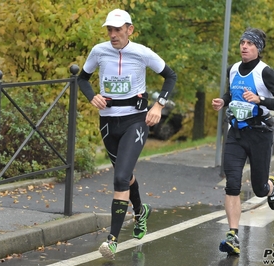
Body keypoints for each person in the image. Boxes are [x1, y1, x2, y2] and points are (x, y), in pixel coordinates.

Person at [77, 8, 177, 259]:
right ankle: (140, 211)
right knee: (126, 175)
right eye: (109, 30)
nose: (112, 35)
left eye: (117, 30)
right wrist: (93, 97)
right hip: (109, 123)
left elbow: (170, 76)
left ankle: (112, 240)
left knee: (120, 178)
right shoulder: (99, 51)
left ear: (129, 30)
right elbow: (82, 79)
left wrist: (158, 105)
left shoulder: (142, 52)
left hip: (136, 120)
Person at [212, 27, 274, 256]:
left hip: (260, 135)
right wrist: (222, 102)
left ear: (258, 48)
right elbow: (231, 94)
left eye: (250, 43)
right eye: (242, 43)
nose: (244, 46)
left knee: (258, 189)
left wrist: (260, 99)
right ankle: (232, 235)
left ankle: (270, 186)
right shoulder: (233, 69)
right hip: (236, 133)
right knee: (232, 184)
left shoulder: (266, 73)